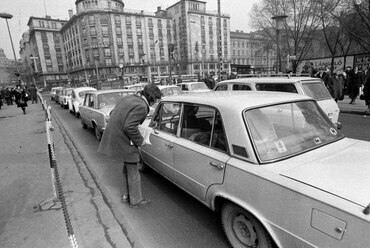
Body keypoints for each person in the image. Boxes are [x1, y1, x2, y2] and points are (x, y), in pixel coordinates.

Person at [98, 84, 162, 207]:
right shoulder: (142, 106)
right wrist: (141, 141)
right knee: (133, 169)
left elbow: (113, 113)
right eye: (155, 100)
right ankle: (136, 200)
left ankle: (125, 195)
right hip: (124, 139)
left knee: (127, 166)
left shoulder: (128, 98)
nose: (155, 103)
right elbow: (129, 127)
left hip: (115, 136)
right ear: (151, 98)